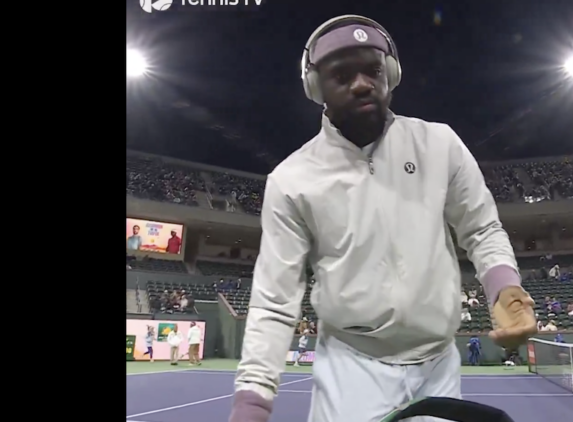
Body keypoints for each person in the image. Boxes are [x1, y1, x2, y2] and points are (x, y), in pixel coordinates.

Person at [229, 15, 536, 422]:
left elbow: (481, 228)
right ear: (316, 87)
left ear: (389, 74)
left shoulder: (439, 144)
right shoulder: (291, 180)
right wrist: (253, 403)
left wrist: (505, 290)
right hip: (350, 368)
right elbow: (274, 300)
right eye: (342, 74)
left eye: (373, 70)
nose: (362, 83)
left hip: (437, 364)